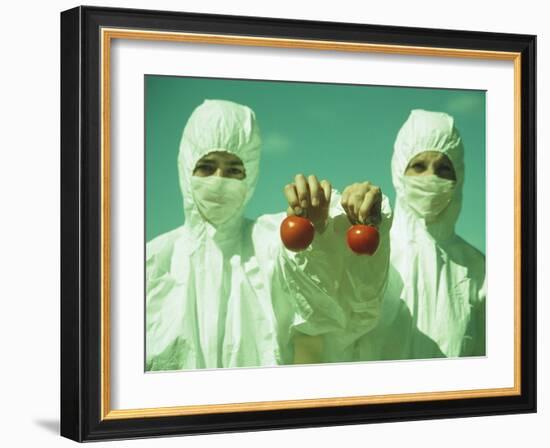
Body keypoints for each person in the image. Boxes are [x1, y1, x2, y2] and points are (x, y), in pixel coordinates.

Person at [145, 99, 392, 371]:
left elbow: (329, 308)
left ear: (250, 176)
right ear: (186, 167)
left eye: (234, 170)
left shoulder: (268, 242)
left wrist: (328, 228)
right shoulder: (152, 262)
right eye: (206, 167)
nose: (219, 179)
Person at [360, 109, 486, 360]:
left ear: (458, 177)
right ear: (399, 172)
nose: (431, 177)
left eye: (443, 169)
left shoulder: (478, 268)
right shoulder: (375, 251)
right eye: (418, 166)